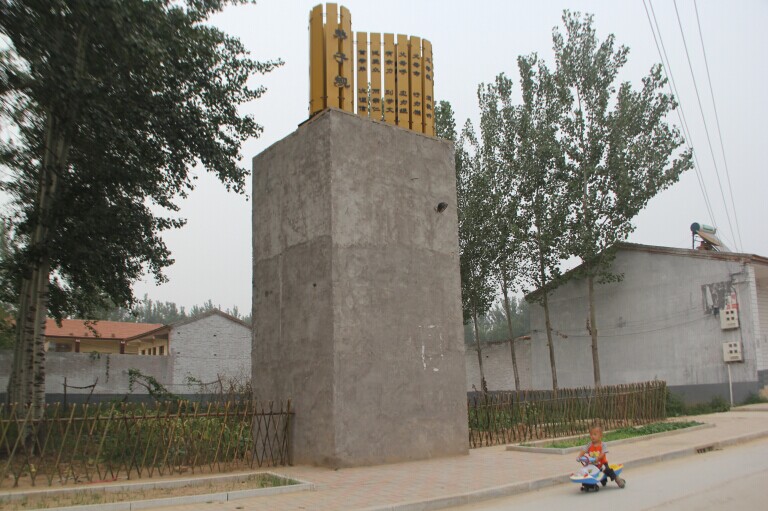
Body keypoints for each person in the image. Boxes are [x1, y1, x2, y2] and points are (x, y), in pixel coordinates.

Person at [576, 421, 626, 488]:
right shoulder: (589, 445)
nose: (592, 436)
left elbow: (603, 453)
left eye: (595, 434)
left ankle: (617, 479)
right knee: (588, 471)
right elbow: (584, 450)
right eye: (591, 434)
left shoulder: (603, 445)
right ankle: (588, 483)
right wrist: (579, 457)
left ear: (600, 435)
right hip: (593, 464)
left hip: (602, 464)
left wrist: (598, 458)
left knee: (608, 470)